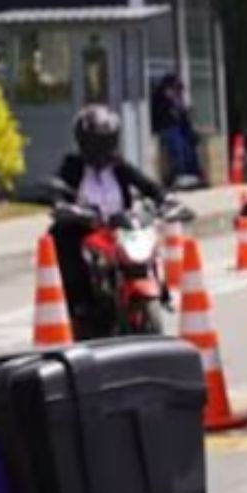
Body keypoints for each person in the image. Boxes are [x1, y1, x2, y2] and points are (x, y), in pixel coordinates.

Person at [51, 105, 166, 338]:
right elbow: (58, 192)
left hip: (119, 229)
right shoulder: (73, 165)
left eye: (105, 141)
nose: (101, 149)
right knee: (64, 243)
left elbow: (148, 186)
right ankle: (80, 304)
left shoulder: (119, 165)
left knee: (147, 243)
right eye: (95, 142)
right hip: (85, 229)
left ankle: (160, 289)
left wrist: (165, 200)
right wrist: (65, 206)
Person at [150, 73, 204, 188]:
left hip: (177, 129)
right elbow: (164, 118)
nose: (176, 93)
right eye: (174, 89)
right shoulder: (160, 100)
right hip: (165, 129)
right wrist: (175, 109)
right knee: (176, 142)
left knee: (190, 141)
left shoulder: (176, 100)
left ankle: (194, 173)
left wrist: (185, 113)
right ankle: (178, 174)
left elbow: (183, 120)